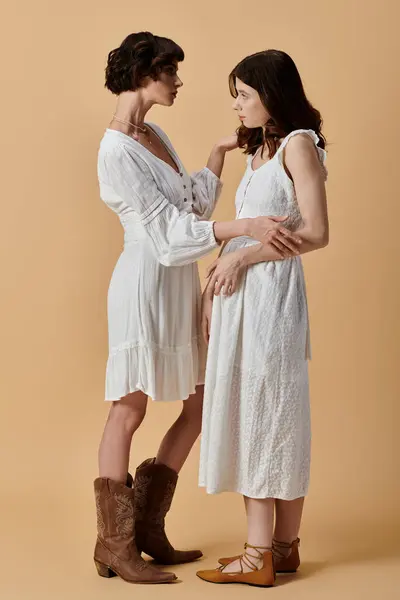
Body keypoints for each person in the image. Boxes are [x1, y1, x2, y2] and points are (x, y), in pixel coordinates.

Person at [94, 33, 302, 585]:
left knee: (199, 403)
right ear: (145, 73)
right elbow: (165, 234)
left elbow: (190, 206)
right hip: (144, 281)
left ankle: (146, 526)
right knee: (130, 407)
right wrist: (246, 227)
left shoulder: (154, 133)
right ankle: (114, 543)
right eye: (171, 72)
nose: (178, 81)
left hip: (177, 283)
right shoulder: (115, 148)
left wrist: (215, 156)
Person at [196, 49, 329, 587]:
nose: (237, 103)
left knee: (266, 410)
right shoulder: (260, 150)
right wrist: (222, 270)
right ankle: (282, 546)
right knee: (269, 408)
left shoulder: (298, 145)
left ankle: (257, 557)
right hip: (243, 301)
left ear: (273, 94)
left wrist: (245, 255)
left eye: (245, 93)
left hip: (270, 298)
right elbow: (252, 227)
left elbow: (317, 233)